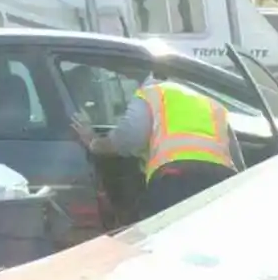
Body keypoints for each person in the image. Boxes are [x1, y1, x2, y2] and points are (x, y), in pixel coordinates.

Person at [71, 74, 243, 218]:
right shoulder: (213, 104)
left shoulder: (152, 93)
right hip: (220, 182)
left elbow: (129, 137)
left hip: (176, 178)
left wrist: (94, 143)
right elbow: (237, 159)